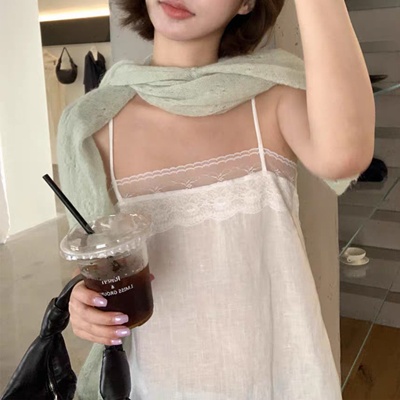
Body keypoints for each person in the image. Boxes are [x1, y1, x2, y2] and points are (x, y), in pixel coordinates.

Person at [60, 0, 375, 398]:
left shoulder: (273, 100)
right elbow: (99, 265)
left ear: (246, 3)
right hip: (160, 382)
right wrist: (85, 305)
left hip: (278, 374)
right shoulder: (94, 127)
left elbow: (345, 155)